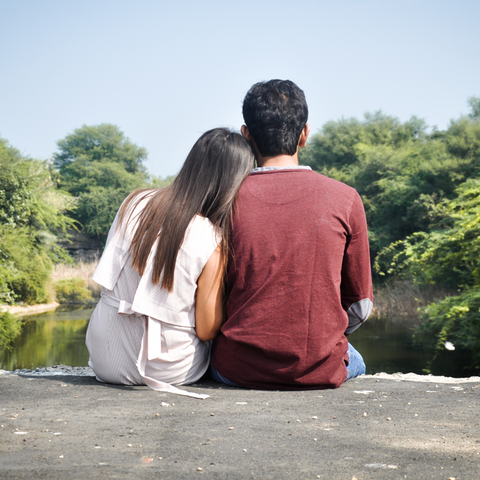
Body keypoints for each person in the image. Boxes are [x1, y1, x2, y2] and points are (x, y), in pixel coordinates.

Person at [211, 80, 373, 390]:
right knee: (358, 360)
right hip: (320, 369)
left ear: (246, 135)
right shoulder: (346, 197)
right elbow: (360, 306)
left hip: (236, 369)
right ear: (304, 134)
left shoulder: (223, 199)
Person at [86, 128, 255, 398]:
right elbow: (207, 328)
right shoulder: (212, 238)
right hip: (166, 369)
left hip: (105, 356)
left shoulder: (134, 202)